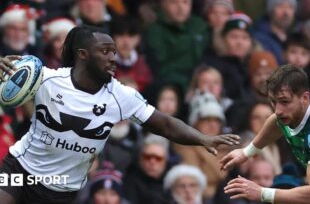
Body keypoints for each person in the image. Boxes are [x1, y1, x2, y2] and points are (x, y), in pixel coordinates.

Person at [0, 26, 239, 204]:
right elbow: (13, 75)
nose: (113, 57)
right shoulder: (47, 79)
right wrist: (4, 69)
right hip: (20, 170)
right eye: (105, 51)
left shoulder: (122, 96)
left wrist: (202, 138)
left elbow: (165, 125)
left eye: (113, 51)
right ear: (83, 54)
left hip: (62, 188)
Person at [220, 65, 310, 204]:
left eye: (285, 101)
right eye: (274, 102)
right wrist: (246, 152)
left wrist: (262, 193)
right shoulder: (287, 115)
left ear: (305, 98)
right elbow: (275, 122)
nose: (278, 110)